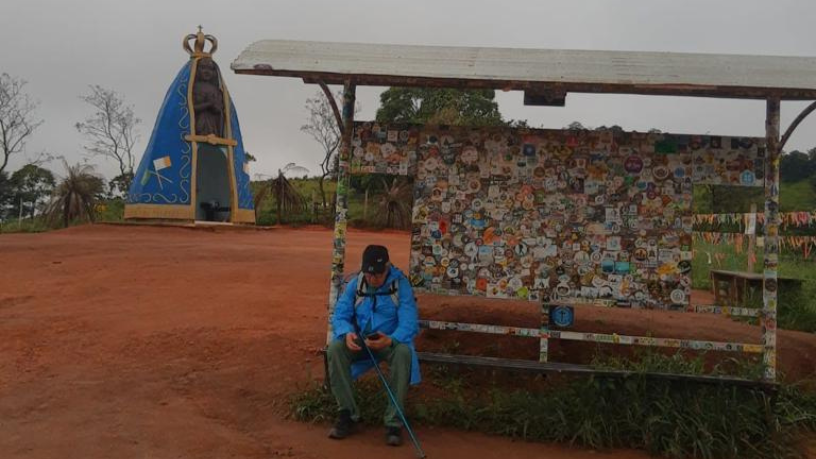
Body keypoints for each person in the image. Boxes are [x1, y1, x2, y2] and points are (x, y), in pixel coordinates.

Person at [327, 245, 420, 447]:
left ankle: (393, 422)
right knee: (335, 349)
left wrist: (392, 339)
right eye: (369, 274)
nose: (373, 279)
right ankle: (347, 414)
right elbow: (340, 314)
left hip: (389, 340)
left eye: (378, 274)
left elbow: (409, 322)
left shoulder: (400, 285)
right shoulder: (356, 283)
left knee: (403, 352)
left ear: (387, 267)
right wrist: (346, 333)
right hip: (361, 339)